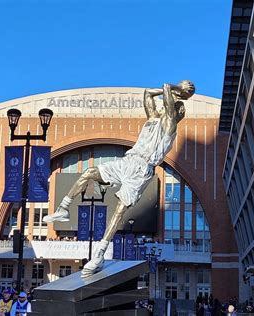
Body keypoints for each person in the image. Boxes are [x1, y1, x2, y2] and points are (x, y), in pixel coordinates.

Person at [44, 81, 196, 277]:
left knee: (119, 210)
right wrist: (177, 91)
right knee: (89, 172)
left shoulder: (170, 126)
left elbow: (166, 90)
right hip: (128, 160)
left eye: (175, 107)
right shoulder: (152, 120)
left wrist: (177, 90)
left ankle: (99, 253)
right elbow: (148, 93)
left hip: (142, 169)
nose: (169, 106)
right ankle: (63, 209)